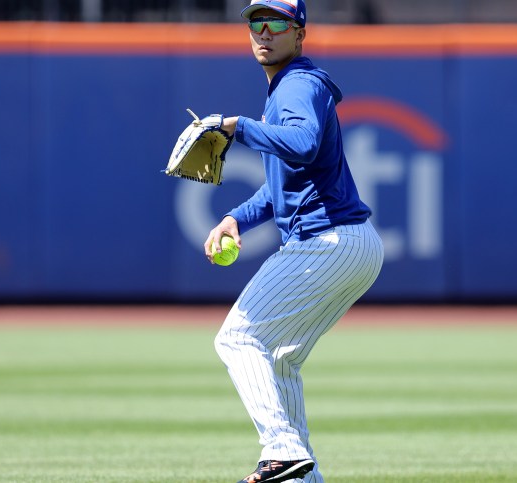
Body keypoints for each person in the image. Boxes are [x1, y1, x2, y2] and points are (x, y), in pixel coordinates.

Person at [204, 1, 384, 482]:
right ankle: (304, 477)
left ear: (299, 32)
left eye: (277, 22)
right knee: (279, 361)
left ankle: (282, 451)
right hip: (351, 245)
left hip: (328, 242)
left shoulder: (298, 85)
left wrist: (235, 127)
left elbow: (302, 142)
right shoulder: (289, 86)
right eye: (255, 22)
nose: (264, 31)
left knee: (238, 337)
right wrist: (236, 218)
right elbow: (284, 184)